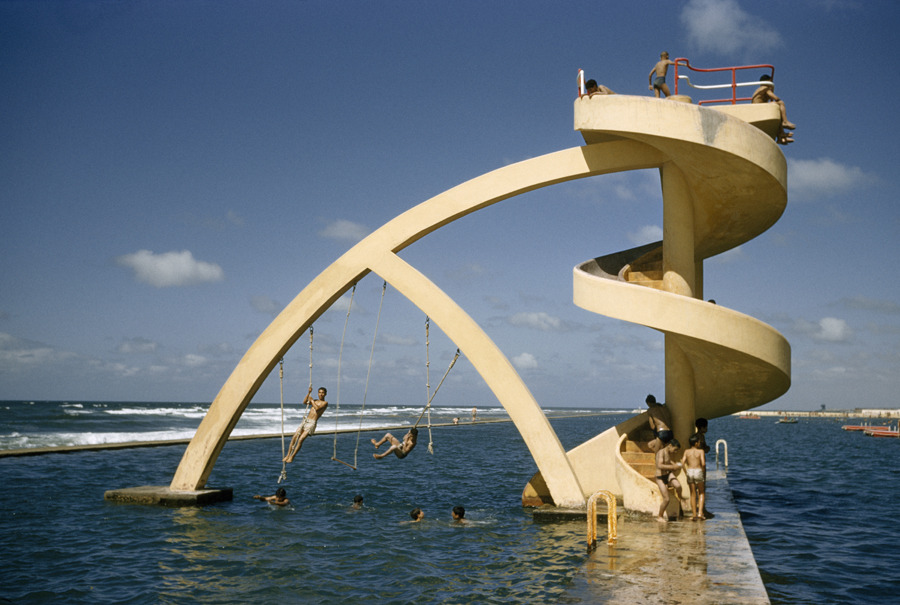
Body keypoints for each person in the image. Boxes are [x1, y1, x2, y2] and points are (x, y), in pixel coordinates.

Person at [284, 386, 328, 463]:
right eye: (319, 392)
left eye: (322, 393)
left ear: (325, 394)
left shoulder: (325, 403)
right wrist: (308, 393)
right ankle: (288, 455)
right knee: (294, 437)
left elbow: (317, 408)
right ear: (318, 393)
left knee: (301, 439)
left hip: (312, 423)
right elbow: (304, 402)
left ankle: (292, 456)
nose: (321, 394)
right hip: (305, 421)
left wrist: (312, 401)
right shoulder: (315, 400)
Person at [752, 74, 796, 144]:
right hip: (759, 107)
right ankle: (785, 121)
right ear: (768, 81)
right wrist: (777, 100)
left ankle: (781, 136)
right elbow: (775, 97)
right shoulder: (765, 87)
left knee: (777, 114)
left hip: (759, 107)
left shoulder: (760, 89)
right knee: (781, 103)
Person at [654, 438, 684, 522]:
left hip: (668, 474)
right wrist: (673, 467)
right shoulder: (661, 452)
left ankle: (680, 499)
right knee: (666, 499)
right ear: (670, 446)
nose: (675, 452)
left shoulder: (668, 452)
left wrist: (676, 465)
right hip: (660, 477)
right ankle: (660, 516)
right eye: (675, 450)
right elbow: (659, 465)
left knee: (678, 486)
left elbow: (668, 461)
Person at [683, 435, 707, 521]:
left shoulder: (686, 451)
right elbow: (703, 463)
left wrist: (686, 472)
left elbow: (682, 462)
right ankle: (700, 513)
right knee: (701, 492)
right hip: (698, 471)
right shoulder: (701, 451)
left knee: (692, 494)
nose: (700, 443)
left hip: (690, 471)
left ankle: (694, 515)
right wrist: (703, 472)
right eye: (699, 442)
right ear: (696, 443)